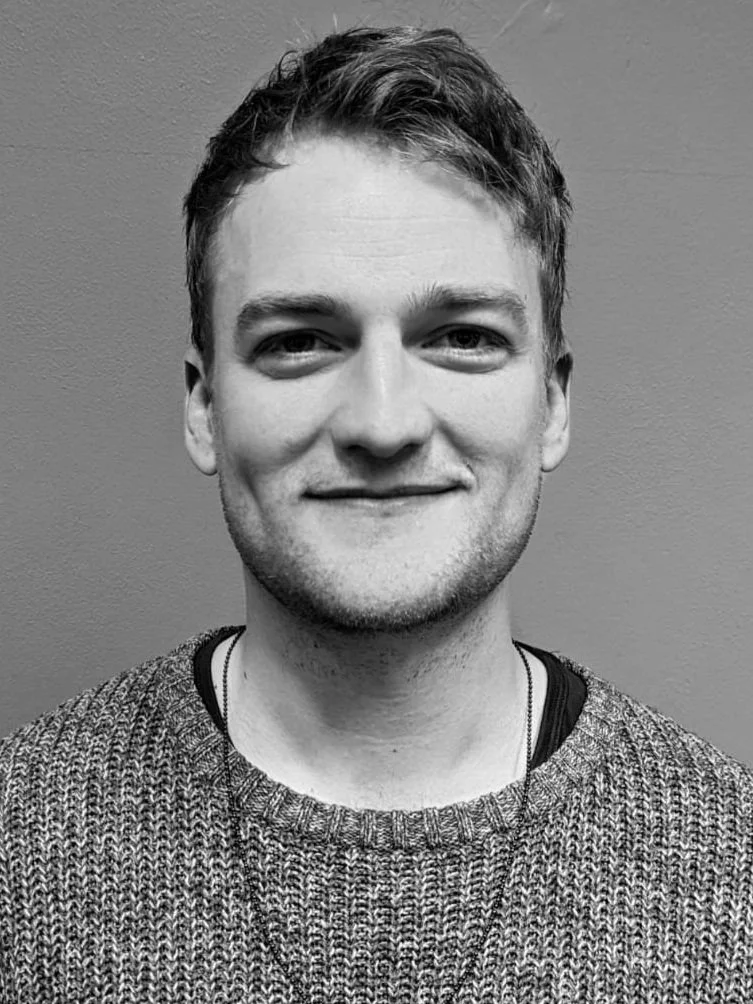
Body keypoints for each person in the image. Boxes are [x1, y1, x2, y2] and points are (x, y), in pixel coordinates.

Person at [1, 24, 751, 1003]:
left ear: (553, 402)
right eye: (302, 340)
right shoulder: (19, 841)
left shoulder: (732, 868)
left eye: (462, 337)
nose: (383, 422)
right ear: (203, 406)